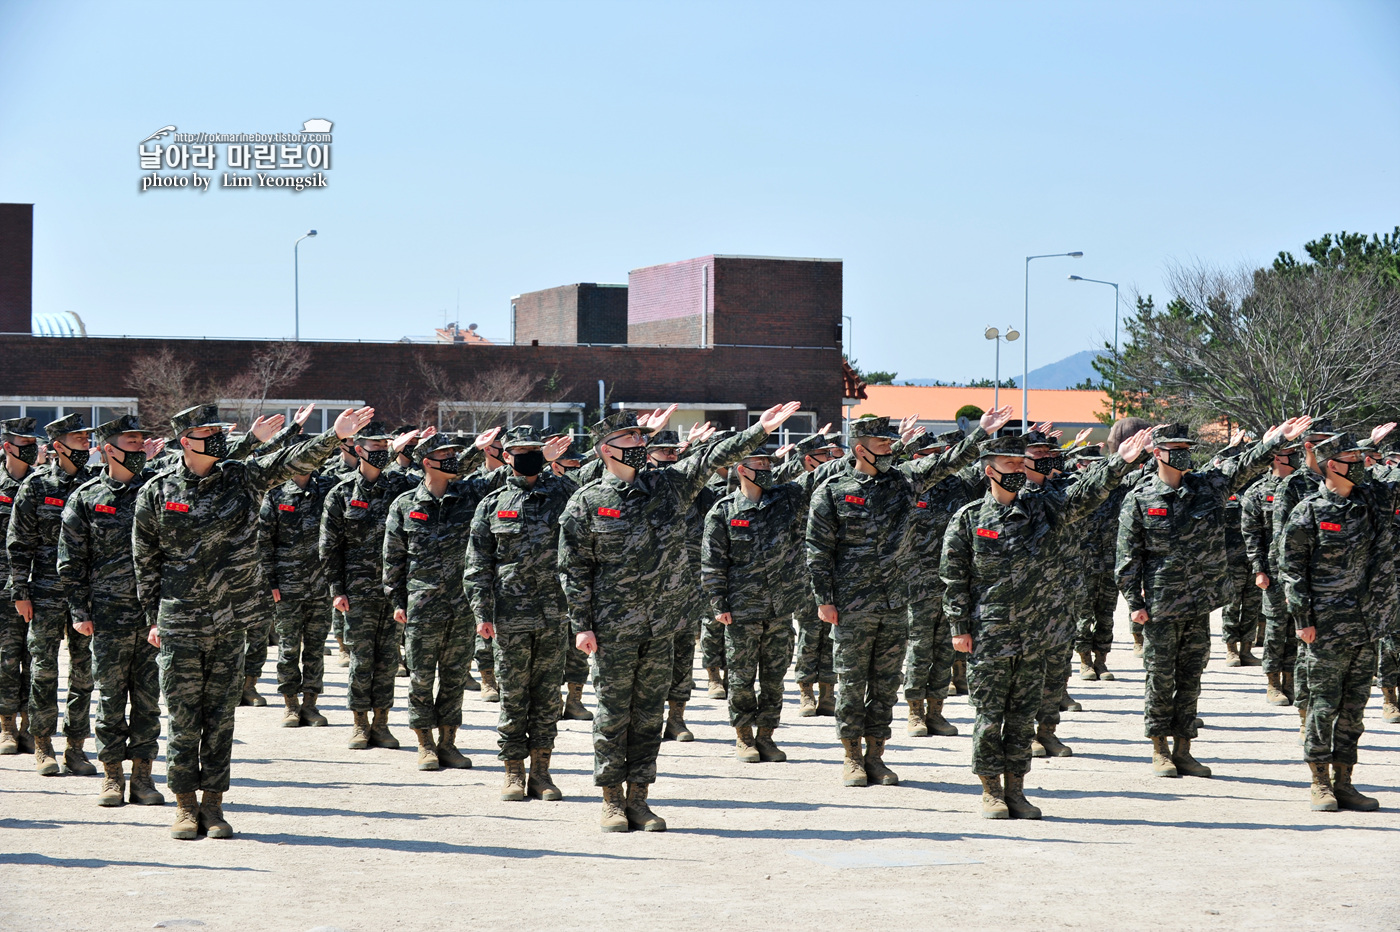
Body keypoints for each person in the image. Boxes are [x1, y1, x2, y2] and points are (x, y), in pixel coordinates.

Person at [134, 402, 374, 839]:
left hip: (231, 620)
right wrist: (154, 617)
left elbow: (290, 460)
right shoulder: (158, 491)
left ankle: (214, 806)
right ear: (186, 441)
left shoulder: (242, 478)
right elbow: (145, 561)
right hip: (181, 622)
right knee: (184, 719)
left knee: (221, 719)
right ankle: (185, 807)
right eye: (207, 432)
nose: (218, 438)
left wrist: (334, 436)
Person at [559, 402, 800, 832]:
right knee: (614, 714)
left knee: (650, 714)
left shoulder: (669, 486)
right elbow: (574, 569)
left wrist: (760, 431)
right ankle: (611, 801)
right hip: (613, 628)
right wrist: (582, 625)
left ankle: (639, 800)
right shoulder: (587, 502)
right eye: (628, 438)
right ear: (605, 450)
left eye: (639, 436)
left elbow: (711, 457)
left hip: (663, 623)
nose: (638, 443)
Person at [942, 428, 1151, 819]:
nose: (1019, 470)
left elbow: (1085, 494)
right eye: (1010, 465)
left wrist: (1119, 462)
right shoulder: (968, 519)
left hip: (1037, 633)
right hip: (991, 634)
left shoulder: (1046, 506)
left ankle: (1016, 790)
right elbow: (955, 579)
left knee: (1022, 717)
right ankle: (991, 791)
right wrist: (959, 628)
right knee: (990, 716)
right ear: (990, 470)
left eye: (1023, 464)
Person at [806, 407, 1009, 788]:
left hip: (897, 601)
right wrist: (824, 599)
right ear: (862, 449)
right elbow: (818, 549)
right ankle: (851, 757)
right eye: (883, 444)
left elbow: (949, 462)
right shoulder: (833, 492)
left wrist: (981, 434)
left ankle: (876, 756)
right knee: (851, 682)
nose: (890, 449)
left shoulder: (904, 482)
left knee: (885, 683)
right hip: (852, 605)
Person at [1117, 417, 1310, 779]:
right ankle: (1159, 749)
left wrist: (1275, 441)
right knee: (1160, 679)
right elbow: (1128, 557)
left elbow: (1244, 465)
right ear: (1157, 453)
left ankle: (1184, 749)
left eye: (1187, 450)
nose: (1183, 457)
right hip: (1160, 605)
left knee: (1191, 679)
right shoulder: (1140, 500)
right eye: (1175, 451)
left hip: (1199, 603)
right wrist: (1135, 603)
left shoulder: (1207, 487)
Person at [1280, 432, 1396, 811]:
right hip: (1325, 626)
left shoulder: (1370, 501)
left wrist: (1376, 443)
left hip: (1365, 623)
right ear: (1332, 465)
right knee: (1323, 704)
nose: (1362, 464)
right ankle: (1320, 782)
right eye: (1353, 458)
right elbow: (1292, 569)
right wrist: (1302, 618)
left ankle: (1345, 781)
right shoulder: (1309, 511)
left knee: (1354, 707)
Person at [56, 415, 165, 806]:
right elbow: (71, 561)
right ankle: (112, 777)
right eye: (130, 443)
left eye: (141, 443)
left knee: (149, 701)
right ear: (108, 449)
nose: (138, 448)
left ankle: (143, 778)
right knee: (111, 701)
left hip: (152, 617)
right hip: (106, 618)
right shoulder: (86, 497)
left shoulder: (156, 491)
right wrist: (79, 612)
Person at [383, 429, 506, 771]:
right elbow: (393, 558)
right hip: (422, 606)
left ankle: (448, 743)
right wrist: (397, 600)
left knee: (453, 677)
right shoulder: (405, 504)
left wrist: (490, 450)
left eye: (456, 454)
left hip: (462, 604)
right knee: (421, 677)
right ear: (426, 463)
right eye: (445, 455)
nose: (453, 460)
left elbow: (504, 473)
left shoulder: (470, 494)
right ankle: (425, 744)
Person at [464, 426, 574, 799]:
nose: (526, 455)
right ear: (506, 456)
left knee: (547, 698)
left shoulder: (566, 495)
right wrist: (482, 614)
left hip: (554, 613)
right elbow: (477, 564)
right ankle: (513, 771)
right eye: (519, 450)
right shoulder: (491, 504)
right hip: (510, 615)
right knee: (513, 697)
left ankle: (541, 773)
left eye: (533, 449)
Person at [319, 421, 426, 750]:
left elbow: (428, 483)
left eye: (385, 447)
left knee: (389, 660)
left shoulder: (400, 488)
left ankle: (382, 723)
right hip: (358, 591)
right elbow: (329, 546)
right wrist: (337, 589)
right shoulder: (341, 493)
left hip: (393, 590)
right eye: (374, 448)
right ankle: (360, 724)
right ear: (358, 450)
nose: (381, 453)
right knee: (361, 658)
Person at [701, 451, 806, 762]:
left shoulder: (786, 499)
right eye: (760, 465)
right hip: (742, 610)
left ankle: (767, 737)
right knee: (741, 678)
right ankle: (744, 737)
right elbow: (712, 562)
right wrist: (718, 603)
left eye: (769, 464)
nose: (767, 469)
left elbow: (818, 475)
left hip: (779, 608)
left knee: (774, 678)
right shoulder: (723, 511)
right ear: (742, 470)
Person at [7, 413, 96, 776]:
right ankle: (43, 745)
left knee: (83, 674)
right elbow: (19, 542)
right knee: (43, 670)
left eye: (88, 440)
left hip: (86, 596)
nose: (86, 446)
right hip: (43, 593)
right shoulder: (36, 486)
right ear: (59, 446)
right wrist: (20, 590)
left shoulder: (95, 485)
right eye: (79, 440)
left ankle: (76, 747)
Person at [901, 429, 977, 738]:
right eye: (930, 453)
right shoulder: (907, 486)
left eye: (939, 452)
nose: (936, 457)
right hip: (918, 580)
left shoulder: (960, 486)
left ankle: (936, 711)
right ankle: (914, 712)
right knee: (920, 648)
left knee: (946, 648)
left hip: (952, 579)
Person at [258, 452, 338, 727]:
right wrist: (270, 582)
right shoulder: (276, 494)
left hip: (320, 584)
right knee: (289, 648)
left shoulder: (328, 489)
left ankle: (310, 705)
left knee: (316, 648)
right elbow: (264, 542)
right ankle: (290, 704)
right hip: (287, 586)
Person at [776, 431, 844, 717]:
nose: (829, 461)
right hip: (803, 571)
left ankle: (828, 691)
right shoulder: (793, 489)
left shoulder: (834, 487)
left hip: (831, 567)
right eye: (823, 456)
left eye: (831, 455)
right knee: (808, 631)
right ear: (807, 460)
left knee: (831, 631)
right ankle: (806, 690)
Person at [1240, 439, 1304, 705]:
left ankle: (1292, 681)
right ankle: (1273, 683)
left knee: (1297, 627)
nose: (1297, 457)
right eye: (1291, 453)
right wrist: (1259, 570)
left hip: (1300, 570)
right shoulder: (1256, 492)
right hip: (1274, 570)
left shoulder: (1306, 486)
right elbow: (1252, 534)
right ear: (1277, 458)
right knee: (1276, 629)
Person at [0, 417, 42, 756]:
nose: (31, 448)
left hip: (38, 586)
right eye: (23, 443)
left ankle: (30, 726)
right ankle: (6, 726)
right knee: (6, 659)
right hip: (2, 588)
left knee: (36, 659)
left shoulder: (44, 483)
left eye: (33, 442)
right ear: (7, 447)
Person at [549, 434, 595, 722]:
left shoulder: (586, 493)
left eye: (579, 463)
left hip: (578, 580)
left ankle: (575, 700)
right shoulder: (549, 493)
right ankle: (552, 700)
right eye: (570, 463)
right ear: (555, 466)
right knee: (552, 648)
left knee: (578, 646)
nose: (576, 468)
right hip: (550, 584)